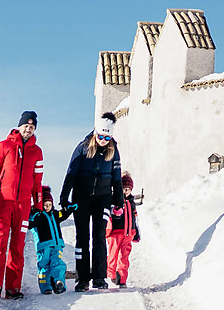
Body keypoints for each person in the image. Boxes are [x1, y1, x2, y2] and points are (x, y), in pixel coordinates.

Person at [0, 109, 45, 299]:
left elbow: (37, 182)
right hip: (3, 202)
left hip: (23, 207)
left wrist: (38, 207)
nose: (28, 129)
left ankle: (13, 288)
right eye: (26, 126)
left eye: (32, 127)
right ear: (20, 126)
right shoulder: (4, 146)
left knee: (17, 246)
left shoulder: (37, 152)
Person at [60, 113, 123, 292]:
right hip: (82, 197)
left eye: (107, 137)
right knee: (82, 237)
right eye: (101, 136)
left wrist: (118, 200)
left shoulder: (113, 151)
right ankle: (82, 278)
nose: (103, 140)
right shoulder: (83, 148)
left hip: (102, 199)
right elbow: (71, 173)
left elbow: (117, 179)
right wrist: (64, 197)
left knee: (100, 236)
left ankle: (99, 277)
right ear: (95, 133)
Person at [29, 190, 68, 295]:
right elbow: (29, 224)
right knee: (43, 266)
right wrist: (33, 214)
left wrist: (70, 208)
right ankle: (46, 287)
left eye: (49, 204)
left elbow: (64, 214)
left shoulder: (55, 214)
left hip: (57, 245)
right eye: (45, 205)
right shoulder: (37, 215)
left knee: (57, 263)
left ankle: (59, 282)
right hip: (43, 247)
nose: (47, 207)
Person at [106, 173, 142, 287]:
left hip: (128, 233)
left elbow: (135, 218)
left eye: (128, 189)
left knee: (124, 257)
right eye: (124, 188)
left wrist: (136, 232)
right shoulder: (114, 200)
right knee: (112, 255)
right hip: (115, 233)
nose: (126, 191)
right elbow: (109, 215)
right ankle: (111, 275)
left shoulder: (131, 202)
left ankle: (122, 278)